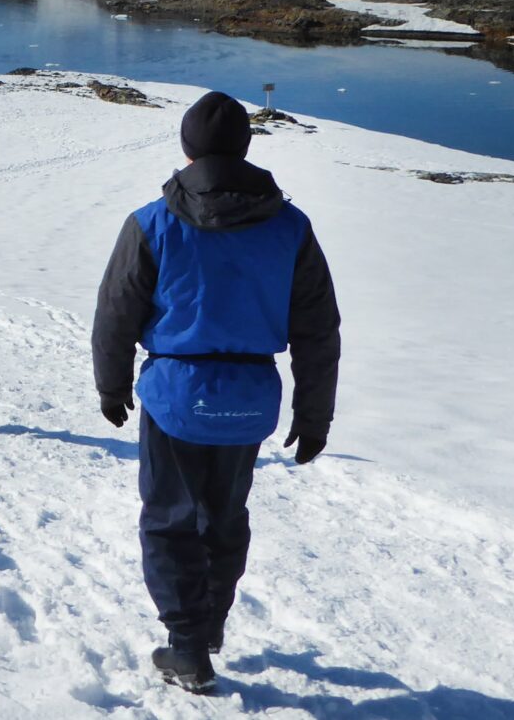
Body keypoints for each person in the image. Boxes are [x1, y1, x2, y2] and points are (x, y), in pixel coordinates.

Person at [90, 91, 341, 696]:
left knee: (171, 520)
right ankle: (210, 625)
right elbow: (316, 329)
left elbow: (116, 310)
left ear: (187, 150)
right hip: (249, 399)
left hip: (177, 395)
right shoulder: (291, 228)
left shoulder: (152, 222)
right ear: (245, 148)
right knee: (224, 518)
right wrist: (314, 414)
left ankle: (187, 646)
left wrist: (112, 382)